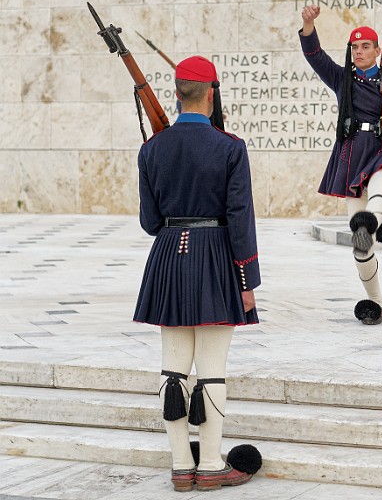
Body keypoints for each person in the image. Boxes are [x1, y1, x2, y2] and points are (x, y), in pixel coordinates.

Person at [133, 56, 259, 492]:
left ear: (176, 93)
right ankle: (209, 466)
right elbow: (240, 218)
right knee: (211, 370)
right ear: (211, 93)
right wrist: (248, 282)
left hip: (168, 256)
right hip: (215, 257)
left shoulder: (152, 148)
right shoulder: (230, 147)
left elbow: (150, 222)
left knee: (173, 369)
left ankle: (180, 466)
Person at [299, 5, 382, 325]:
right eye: (355, 46)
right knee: (360, 243)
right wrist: (308, 24)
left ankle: (374, 219)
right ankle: (375, 302)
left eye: (365, 46)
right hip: (354, 156)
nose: (359, 51)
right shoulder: (343, 79)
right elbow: (315, 56)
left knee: (380, 183)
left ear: (378, 50)